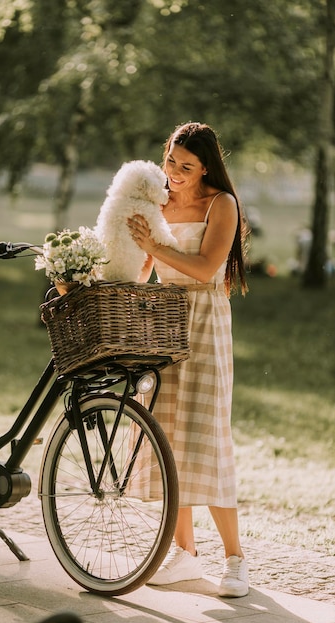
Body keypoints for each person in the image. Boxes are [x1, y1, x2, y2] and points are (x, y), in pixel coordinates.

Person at [127, 121, 249, 597]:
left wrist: (155, 247)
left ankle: (236, 560)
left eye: (186, 167)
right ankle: (184, 554)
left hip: (205, 321)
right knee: (167, 440)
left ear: (206, 167)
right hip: (163, 322)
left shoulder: (222, 204)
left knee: (208, 438)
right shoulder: (157, 200)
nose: (174, 173)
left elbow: (203, 268)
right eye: (170, 162)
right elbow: (142, 271)